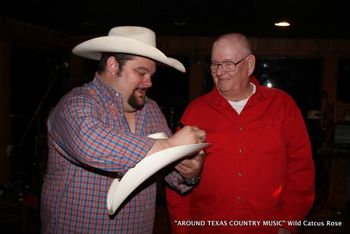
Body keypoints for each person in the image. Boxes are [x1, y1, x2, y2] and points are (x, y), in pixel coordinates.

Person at [40, 26, 206, 233]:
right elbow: (90, 144)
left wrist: (190, 172)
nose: (149, 82)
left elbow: (170, 171)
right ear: (112, 65)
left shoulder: (152, 110)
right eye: (141, 72)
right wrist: (171, 144)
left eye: (151, 75)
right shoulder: (75, 104)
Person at [166, 33, 315, 234]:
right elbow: (177, 176)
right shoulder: (195, 112)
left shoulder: (282, 106)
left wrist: (287, 223)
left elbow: (301, 169)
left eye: (228, 63)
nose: (220, 72)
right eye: (215, 64)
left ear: (250, 64)